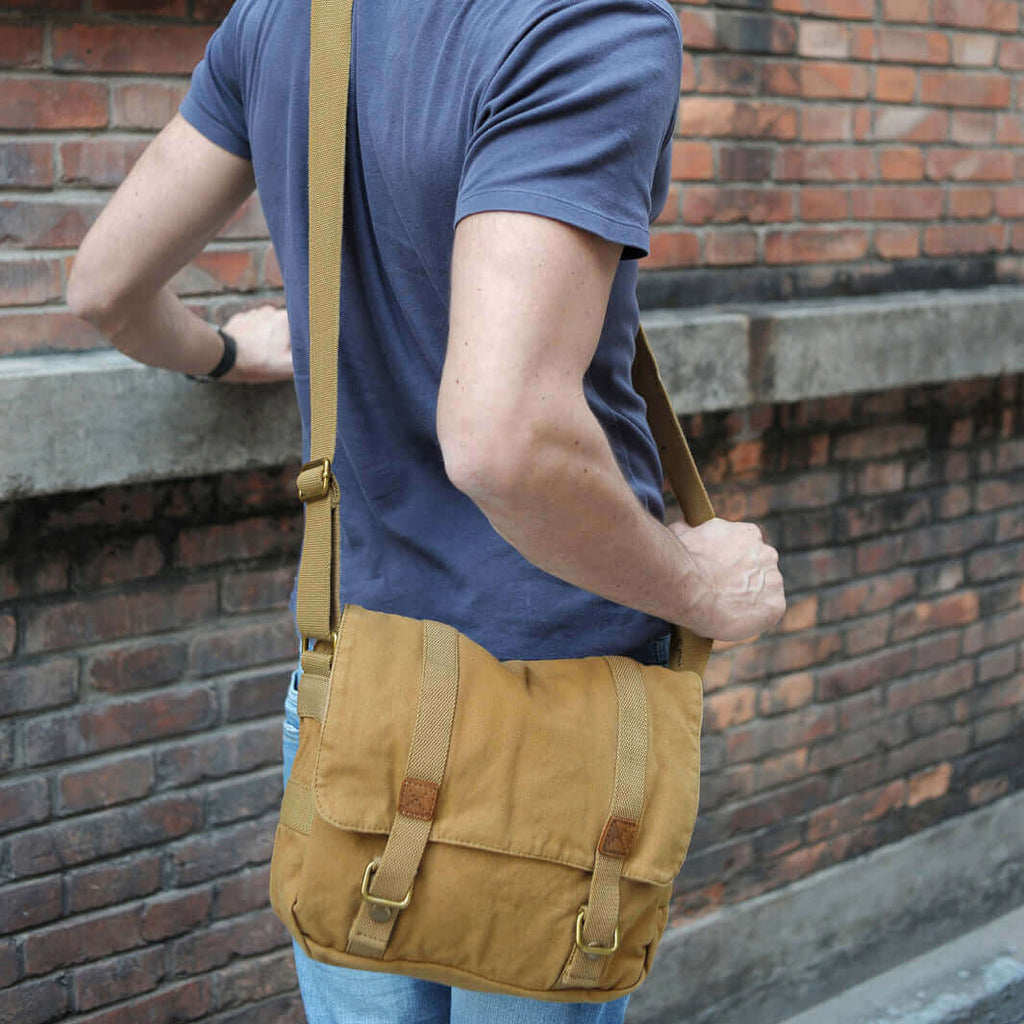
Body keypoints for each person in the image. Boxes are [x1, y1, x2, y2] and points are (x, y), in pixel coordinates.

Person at [67, 0, 786, 1019]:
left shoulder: (285, 18)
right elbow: (504, 440)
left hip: (351, 673)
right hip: (561, 698)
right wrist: (700, 587)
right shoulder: (586, 22)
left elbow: (104, 288)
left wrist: (226, 351)